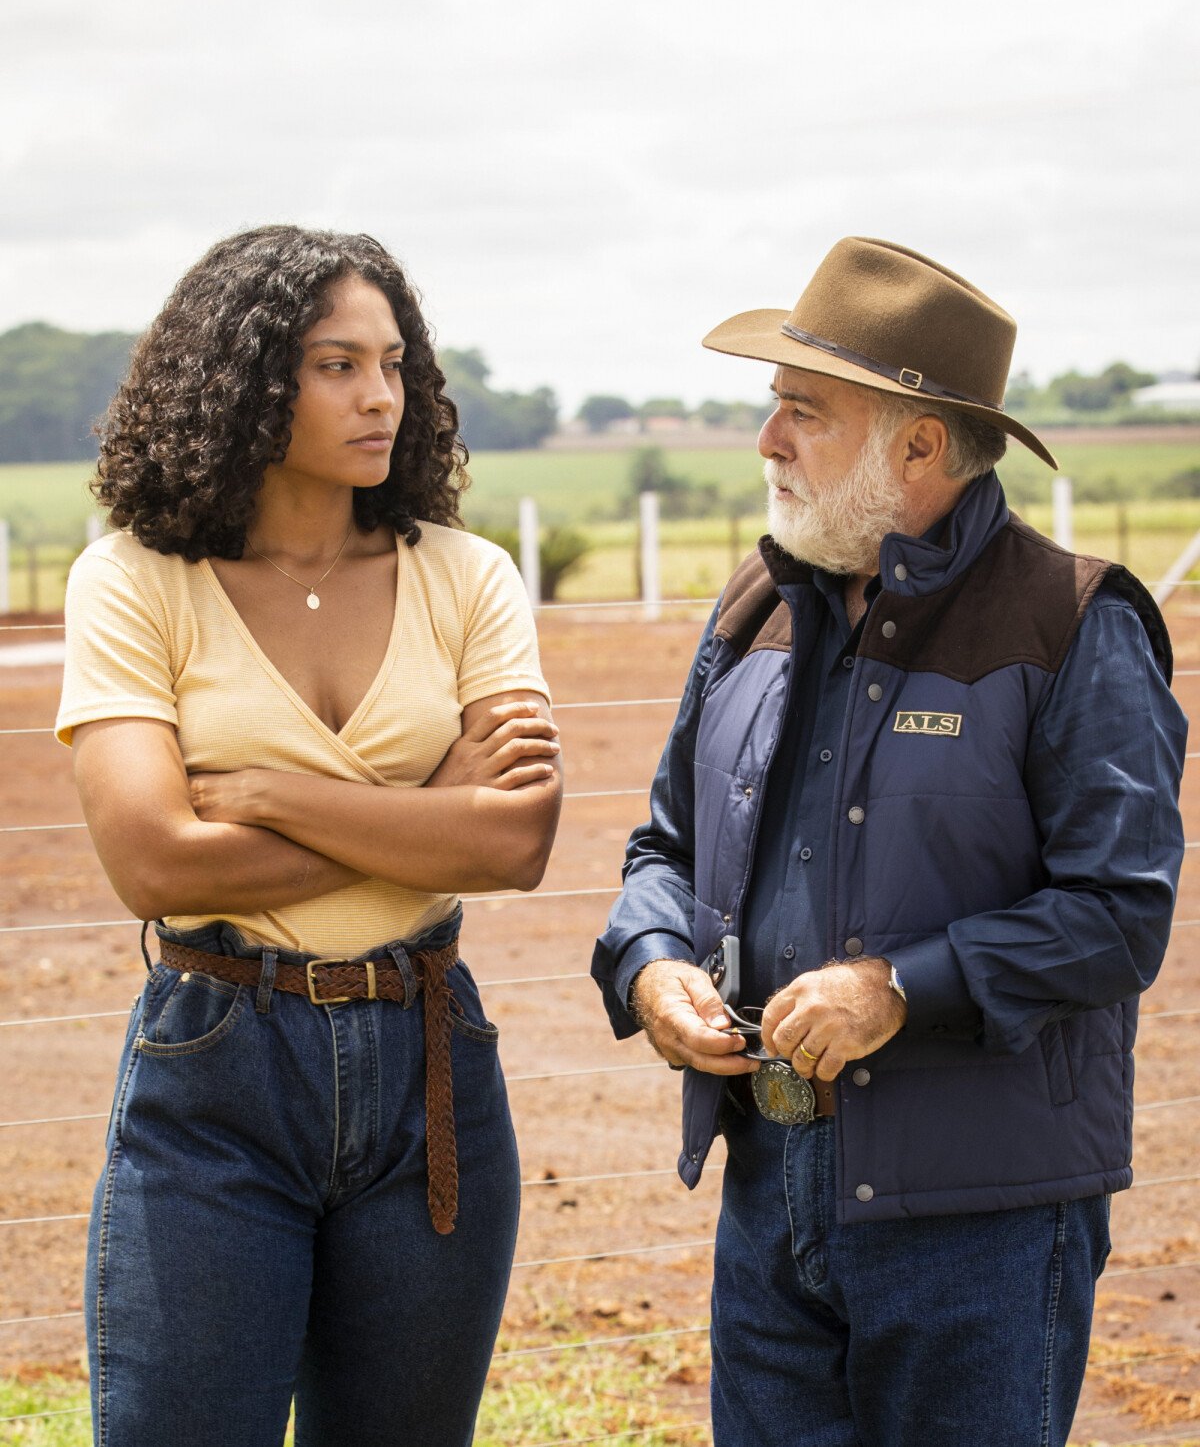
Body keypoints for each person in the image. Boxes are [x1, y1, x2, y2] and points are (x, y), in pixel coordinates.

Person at [592, 237, 1187, 1447]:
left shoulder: (1075, 623)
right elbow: (660, 846)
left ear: (918, 442)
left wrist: (896, 989)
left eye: (801, 412)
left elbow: (1120, 914)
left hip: (983, 1220)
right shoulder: (753, 610)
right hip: (768, 1195)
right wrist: (650, 962)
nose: (767, 441)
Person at [56, 225, 563, 1447]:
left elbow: (518, 843)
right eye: (336, 363)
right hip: (218, 1060)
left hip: (429, 1068)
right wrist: (427, 808)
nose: (380, 394)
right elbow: (157, 862)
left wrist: (277, 794)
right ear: (241, 377)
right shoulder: (133, 580)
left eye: (393, 362)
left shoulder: (468, 575)